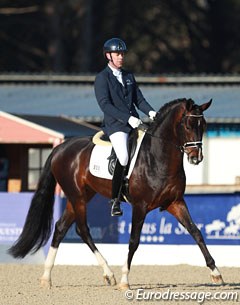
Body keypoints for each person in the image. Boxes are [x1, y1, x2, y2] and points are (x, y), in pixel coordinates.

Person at [94, 37, 157, 216]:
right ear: (108, 56)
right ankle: (115, 200)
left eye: (122, 54)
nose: (121, 57)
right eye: (117, 54)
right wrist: (128, 119)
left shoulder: (129, 76)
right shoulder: (102, 78)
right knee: (123, 157)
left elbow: (139, 100)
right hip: (116, 126)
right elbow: (105, 105)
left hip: (134, 123)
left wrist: (152, 112)